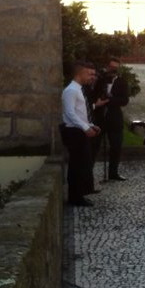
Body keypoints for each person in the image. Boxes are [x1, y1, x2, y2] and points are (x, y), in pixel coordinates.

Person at [61, 61, 103, 207]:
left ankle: (79, 194)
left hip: (80, 130)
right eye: (89, 73)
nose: (92, 77)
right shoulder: (71, 90)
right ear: (80, 73)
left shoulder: (78, 89)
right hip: (74, 132)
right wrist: (86, 128)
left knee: (83, 164)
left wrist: (90, 125)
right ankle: (75, 197)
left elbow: (81, 112)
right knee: (77, 165)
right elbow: (70, 113)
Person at [90, 57, 129, 181]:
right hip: (99, 118)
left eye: (115, 68)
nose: (112, 70)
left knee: (116, 146)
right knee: (94, 147)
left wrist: (110, 99)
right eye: (111, 67)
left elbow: (125, 100)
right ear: (107, 66)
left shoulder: (122, 82)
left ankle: (113, 173)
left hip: (115, 118)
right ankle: (88, 175)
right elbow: (92, 96)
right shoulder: (100, 80)